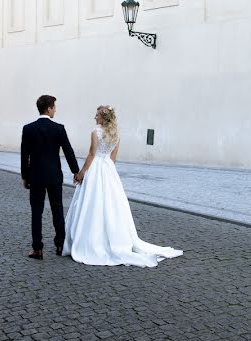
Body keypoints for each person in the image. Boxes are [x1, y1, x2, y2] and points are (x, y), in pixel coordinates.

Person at [63, 105, 183, 267]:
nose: (95, 117)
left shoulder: (95, 132)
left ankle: (89, 240)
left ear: (103, 118)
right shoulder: (116, 135)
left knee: (92, 203)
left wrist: (81, 173)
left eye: (97, 115)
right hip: (108, 170)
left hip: (96, 168)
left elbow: (92, 154)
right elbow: (113, 158)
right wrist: (109, 175)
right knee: (111, 205)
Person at [20, 95, 80, 260]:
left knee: (36, 212)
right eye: (54, 107)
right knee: (57, 209)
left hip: (36, 176)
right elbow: (69, 152)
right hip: (54, 176)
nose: (55, 110)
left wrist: (25, 176)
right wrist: (76, 172)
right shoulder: (59, 128)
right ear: (49, 108)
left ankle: (37, 249)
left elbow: (24, 156)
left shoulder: (28, 128)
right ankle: (60, 245)